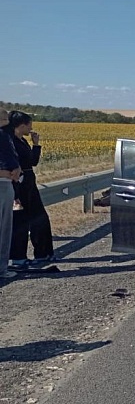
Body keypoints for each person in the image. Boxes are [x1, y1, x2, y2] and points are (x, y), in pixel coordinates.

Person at [3, 111, 56, 269]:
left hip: (29, 184)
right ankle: (18, 258)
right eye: (29, 124)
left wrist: (36, 144)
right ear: (21, 125)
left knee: (40, 218)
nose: (31, 127)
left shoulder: (22, 141)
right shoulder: (10, 141)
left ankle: (43, 253)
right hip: (18, 186)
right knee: (21, 221)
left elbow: (32, 161)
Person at [0, 109, 22, 281]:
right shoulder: (4, 136)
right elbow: (11, 164)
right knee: (4, 228)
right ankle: (2, 268)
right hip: (4, 184)